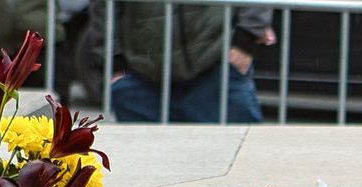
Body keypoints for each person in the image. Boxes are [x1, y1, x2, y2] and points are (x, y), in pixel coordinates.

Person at [89, 3, 272, 123]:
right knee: (152, 175)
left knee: (239, 165)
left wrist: (246, 39)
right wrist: (113, 62)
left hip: (217, 65)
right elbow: (103, 8)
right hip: (142, 77)